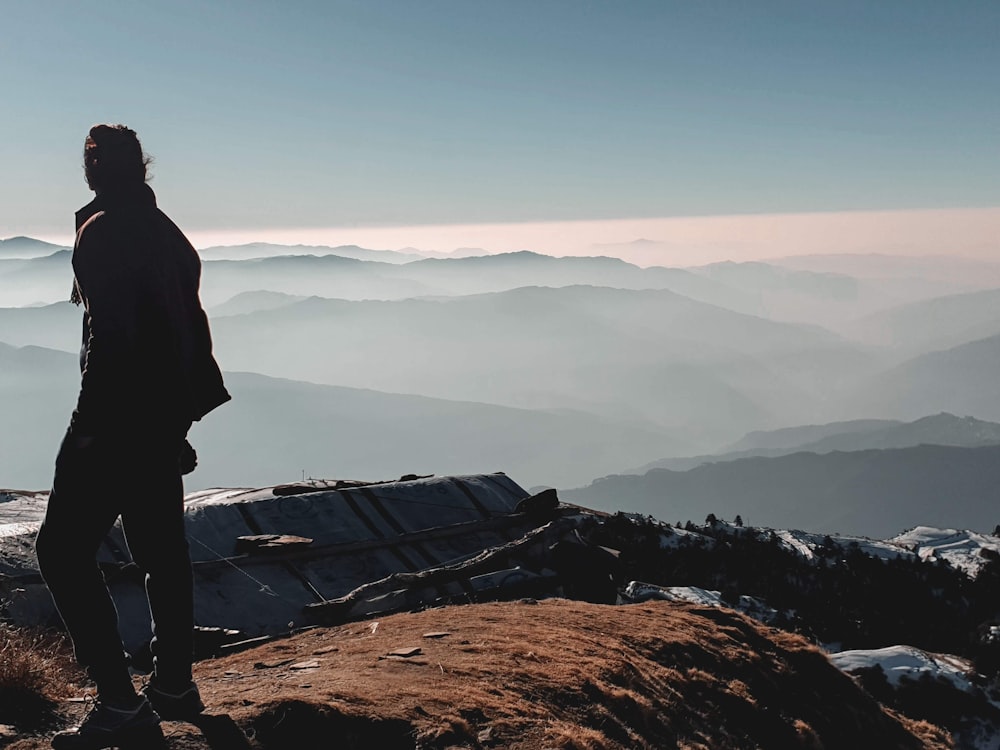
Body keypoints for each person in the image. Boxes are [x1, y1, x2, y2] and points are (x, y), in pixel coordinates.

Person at [35, 124, 231, 749]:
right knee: (160, 550)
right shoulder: (166, 231)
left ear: (99, 168)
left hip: (115, 417)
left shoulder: (103, 232)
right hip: (160, 415)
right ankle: (174, 684)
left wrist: (91, 429)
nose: (87, 167)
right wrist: (178, 422)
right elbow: (185, 330)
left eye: (92, 157)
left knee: (61, 551)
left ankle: (119, 704)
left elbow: (114, 340)